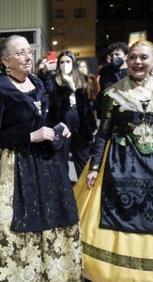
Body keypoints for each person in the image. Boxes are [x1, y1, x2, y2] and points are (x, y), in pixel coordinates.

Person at [0, 35, 82, 281]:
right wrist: (30, 136)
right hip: (9, 164)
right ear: (5, 61)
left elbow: (41, 121)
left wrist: (57, 126)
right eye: (19, 53)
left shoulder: (38, 83)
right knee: (12, 223)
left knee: (50, 216)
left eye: (28, 51)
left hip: (43, 163)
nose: (27, 57)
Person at [75, 40, 153, 282]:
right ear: (127, 61)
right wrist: (95, 167)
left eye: (143, 57)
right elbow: (103, 133)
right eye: (133, 57)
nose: (138, 62)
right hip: (119, 165)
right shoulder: (113, 93)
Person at [41, 50, 97, 178]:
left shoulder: (82, 79)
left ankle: (83, 192)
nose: (65, 64)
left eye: (68, 61)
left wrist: (92, 125)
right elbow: (46, 90)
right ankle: (64, 192)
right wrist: (44, 73)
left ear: (73, 63)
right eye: (61, 62)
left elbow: (88, 105)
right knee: (61, 159)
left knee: (83, 158)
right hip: (61, 121)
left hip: (81, 121)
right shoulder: (54, 79)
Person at [96, 42, 128, 118]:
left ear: (126, 56)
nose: (114, 57)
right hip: (110, 116)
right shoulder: (105, 73)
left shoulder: (133, 73)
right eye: (112, 55)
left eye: (117, 54)